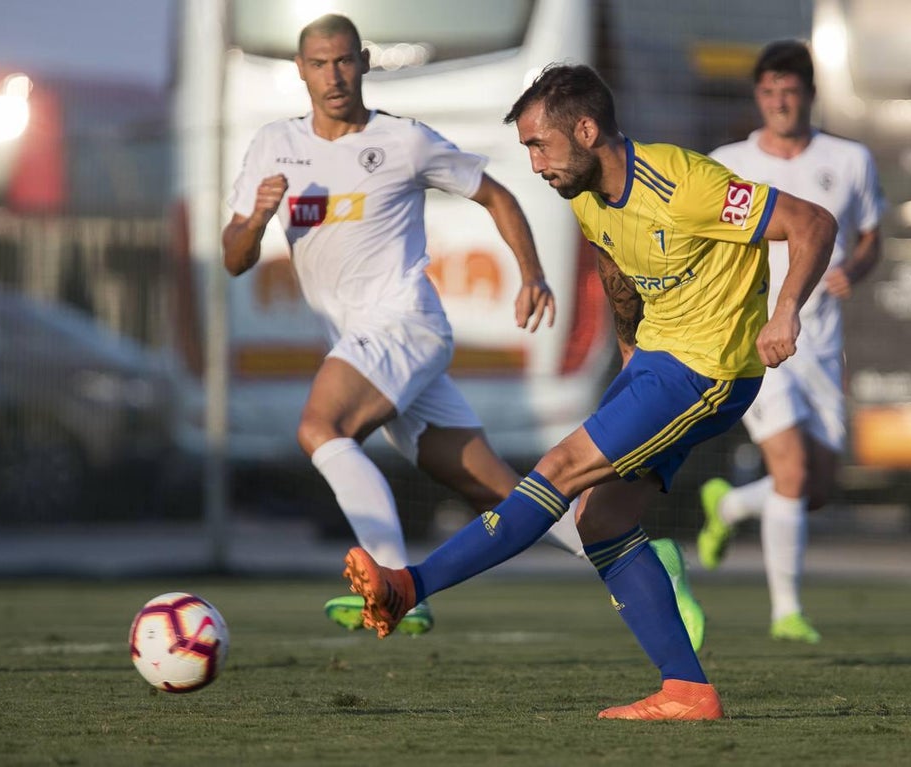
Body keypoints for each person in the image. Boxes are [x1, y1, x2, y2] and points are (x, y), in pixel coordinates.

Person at [343, 63, 836, 720]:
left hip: (709, 369)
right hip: (658, 362)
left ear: (585, 129)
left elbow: (813, 222)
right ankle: (686, 691)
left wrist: (785, 310)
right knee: (598, 520)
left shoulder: (687, 184)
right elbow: (614, 261)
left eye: (538, 144)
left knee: (558, 469)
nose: (535, 163)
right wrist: (630, 349)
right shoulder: (583, 194)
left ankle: (409, 586)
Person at [221, 15, 704, 642]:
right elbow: (235, 258)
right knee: (498, 490)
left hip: (404, 323)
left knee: (320, 427)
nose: (333, 76)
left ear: (363, 61)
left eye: (343, 61)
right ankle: (644, 559)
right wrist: (256, 219)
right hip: (361, 341)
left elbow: (497, 195)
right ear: (300, 70)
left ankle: (394, 585)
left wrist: (532, 274)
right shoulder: (273, 144)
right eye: (319, 64)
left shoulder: (403, 140)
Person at [697, 40, 885, 644]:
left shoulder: (850, 159)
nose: (779, 102)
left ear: (810, 94)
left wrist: (853, 270)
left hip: (821, 345)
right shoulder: (728, 163)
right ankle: (787, 612)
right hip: (755, 342)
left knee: (816, 490)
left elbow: (871, 236)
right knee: (793, 472)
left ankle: (729, 506)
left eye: (790, 91)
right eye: (768, 91)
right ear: (758, 96)